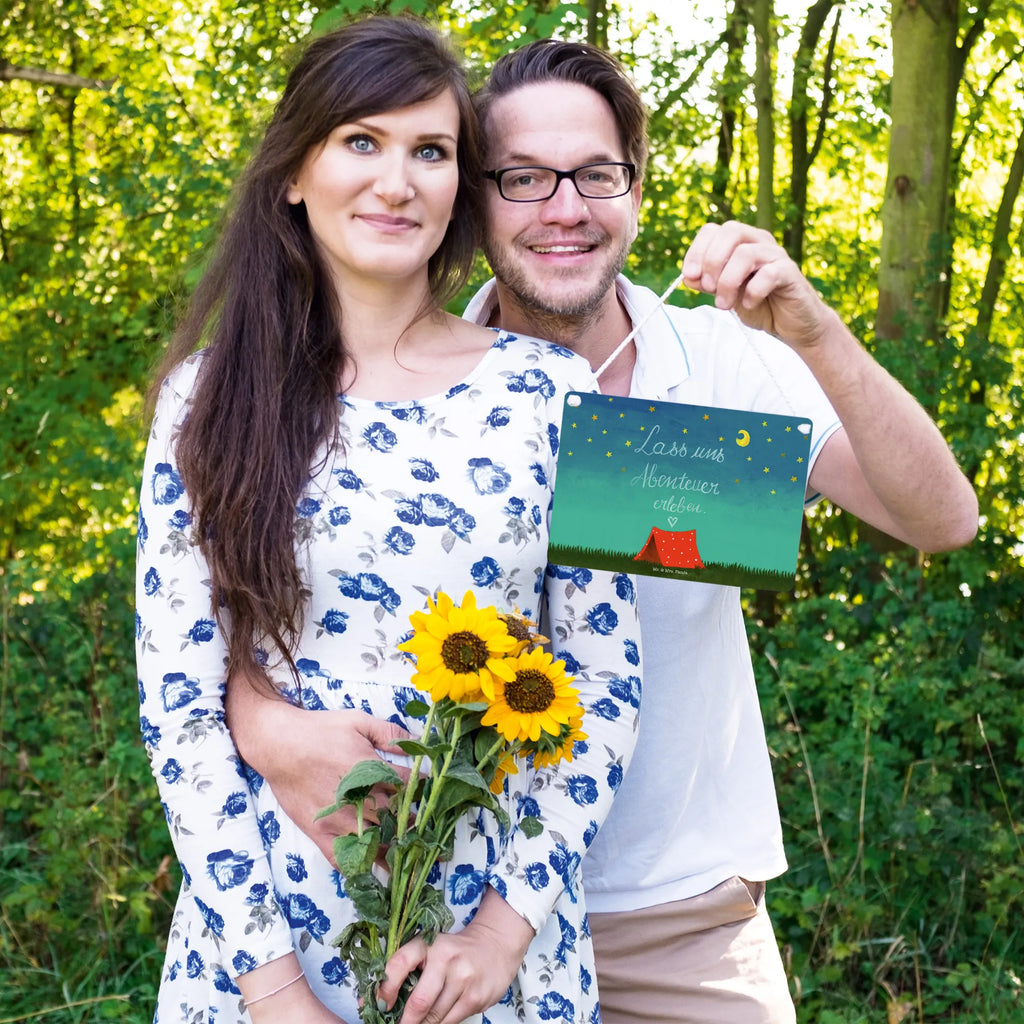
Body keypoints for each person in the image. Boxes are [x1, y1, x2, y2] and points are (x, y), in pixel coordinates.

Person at [226, 35, 979, 1024]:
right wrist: (261, 718)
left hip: (679, 920)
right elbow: (265, 618)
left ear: (636, 186)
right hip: (454, 908)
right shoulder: (403, 380)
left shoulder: (719, 360)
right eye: (526, 178)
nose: (565, 208)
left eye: (594, 173)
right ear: (473, 196)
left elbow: (942, 519)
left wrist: (809, 326)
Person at [136, 19, 641, 1024]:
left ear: (460, 186)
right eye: (361, 142)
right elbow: (179, 709)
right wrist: (276, 994)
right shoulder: (206, 399)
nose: (397, 181)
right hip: (266, 935)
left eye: (432, 152)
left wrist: (498, 935)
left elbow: (606, 682)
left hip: (488, 946)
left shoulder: (557, 391)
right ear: (293, 172)